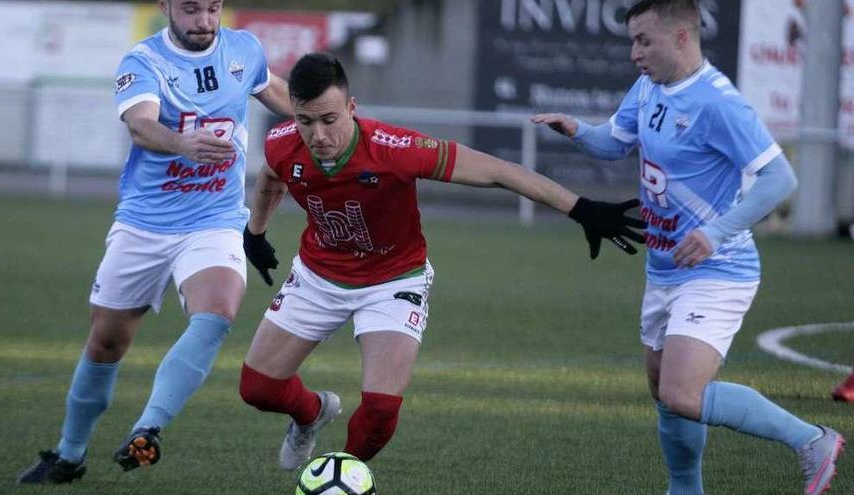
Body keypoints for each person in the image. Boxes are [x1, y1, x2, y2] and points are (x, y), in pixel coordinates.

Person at [237, 52, 646, 471]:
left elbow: (498, 171)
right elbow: (271, 179)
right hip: (318, 276)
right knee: (257, 388)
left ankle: (339, 474)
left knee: (379, 413)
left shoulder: (393, 149)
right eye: (306, 121)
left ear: (352, 108)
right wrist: (255, 233)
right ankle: (311, 414)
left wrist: (581, 209)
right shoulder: (283, 142)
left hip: (392, 282)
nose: (318, 134)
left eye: (329, 119)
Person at [531, 1, 844, 494]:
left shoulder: (718, 102)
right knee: (664, 391)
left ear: (681, 37)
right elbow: (615, 142)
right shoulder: (650, 86)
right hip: (664, 270)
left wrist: (715, 232)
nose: (634, 52)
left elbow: (779, 179)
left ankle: (813, 440)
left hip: (719, 268)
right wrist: (577, 131)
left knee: (682, 392)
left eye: (644, 41)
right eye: (632, 41)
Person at [18, 0, 292, 484]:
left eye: (212, 9)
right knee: (105, 344)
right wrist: (180, 142)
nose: (204, 22)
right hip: (144, 224)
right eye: (191, 10)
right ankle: (69, 454)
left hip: (214, 218)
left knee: (218, 314)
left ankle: (149, 429)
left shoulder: (243, 49)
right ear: (166, 6)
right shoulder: (142, 61)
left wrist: (339, 121)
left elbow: (278, 93)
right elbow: (142, 124)